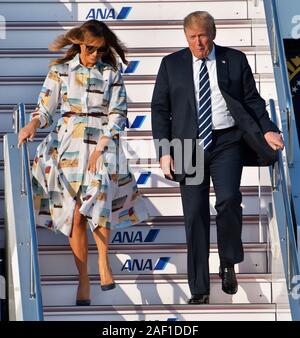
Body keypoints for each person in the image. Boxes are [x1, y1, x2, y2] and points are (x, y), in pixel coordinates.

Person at [151, 11, 284, 304]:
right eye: (192, 37)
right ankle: (198, 287)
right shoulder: (171, 64)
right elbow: (160, 109)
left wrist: (269, 130)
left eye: (203, 36)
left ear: (214, 32)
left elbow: (252, 101)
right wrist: (164, 151)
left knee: (227, 199)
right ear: (186, 37)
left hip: (227, 141)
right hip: (189, 147)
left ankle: (228, 261)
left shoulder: (234, 60)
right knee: (195, 214)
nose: (198, 43)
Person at [18, 19, 149, 306]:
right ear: (79, 43)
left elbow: (118, 114)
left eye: (100, 50)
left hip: (102, 144)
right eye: (90, 48)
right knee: (76, 215)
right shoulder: (60, 72)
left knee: (100, 198)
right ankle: (83, 278)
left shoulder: (111, 73)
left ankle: (103, 262)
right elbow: (45, 109)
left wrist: (101, 146)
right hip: (67, 147)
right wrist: (32, 125)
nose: (95, 54)